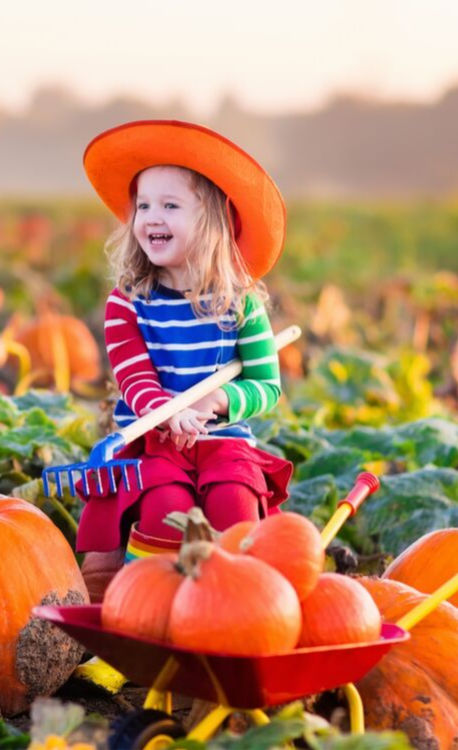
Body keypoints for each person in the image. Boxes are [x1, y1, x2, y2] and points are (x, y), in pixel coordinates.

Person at [75, 120, 294, 593]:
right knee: (162, 508)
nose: (152, 216)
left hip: (224, 441)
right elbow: (135, 379)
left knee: (233, 503)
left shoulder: (241, 303)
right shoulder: (128, 303)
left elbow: (266, 385)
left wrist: (218, 400)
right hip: (154, 439)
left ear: (212, 221)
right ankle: (146, 605)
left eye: (170, 206)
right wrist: (166, 413)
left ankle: (237, 601)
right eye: (144, 205)